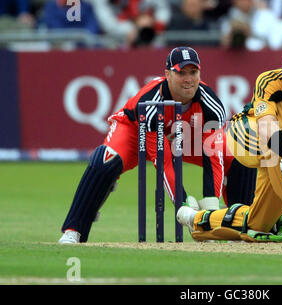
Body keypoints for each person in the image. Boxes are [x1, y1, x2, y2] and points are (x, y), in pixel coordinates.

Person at [58, 46, 256, 244]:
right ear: (167, 75)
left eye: (193, 72)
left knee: (241, 156)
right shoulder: (151, 104)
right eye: (181, 73)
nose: (188, 79)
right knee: (104, 160)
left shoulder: (212, 105)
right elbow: (163, 163)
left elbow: (212, 157)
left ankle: (239, 228)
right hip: (134, 132)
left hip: (185, 137)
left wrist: (211, 212)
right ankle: (74, 231)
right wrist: (184, 205)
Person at [177, 39, 282, 243]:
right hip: (247, 136)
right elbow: (267, 126)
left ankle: (195, 218)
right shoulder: (271, 81)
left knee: (257, 224)